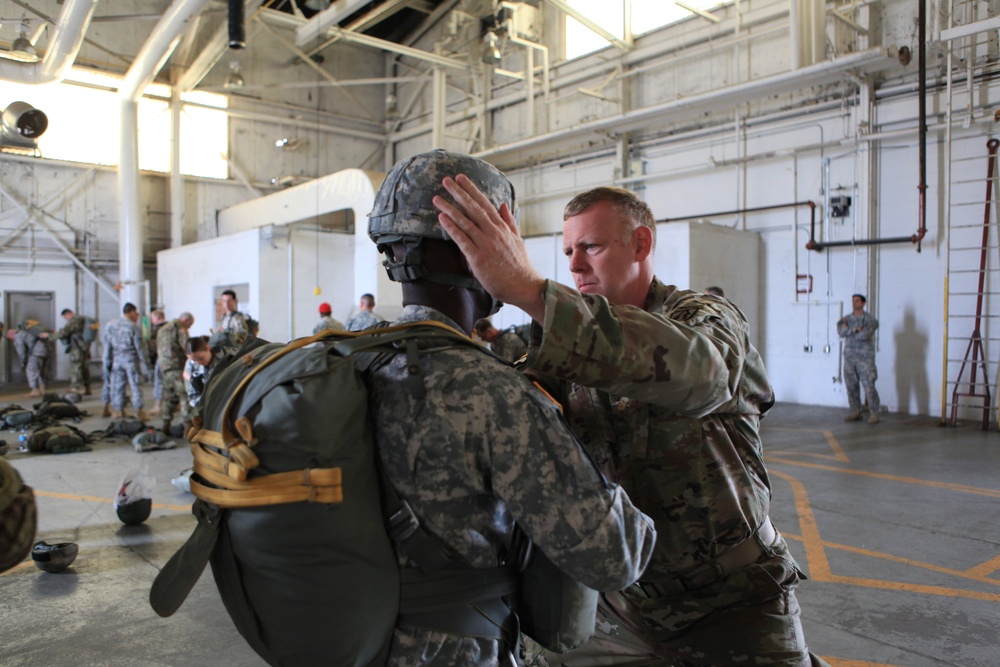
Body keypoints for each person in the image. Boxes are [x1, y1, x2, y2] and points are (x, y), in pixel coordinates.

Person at [435, 182, 829, 666]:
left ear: (641, 244)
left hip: (732, 600)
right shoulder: (553, 344)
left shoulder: (704, 319)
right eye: (568, 252)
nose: (575, 265)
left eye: (592, 247)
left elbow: (700, 372)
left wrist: (531, 291)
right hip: (616, 606)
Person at [367, 150, 655, 666]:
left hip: (353, 642)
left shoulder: (346, 359)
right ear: (471, 248)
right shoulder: (491, 391)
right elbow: (617, 555)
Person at [102, 302, 151, 421]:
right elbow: (140, 347)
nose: (137, 317)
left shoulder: (110, 325)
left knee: (118, 386)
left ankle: (119, 411)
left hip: (116, 360)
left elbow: (107, 345)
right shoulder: (133, 327)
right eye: (136, 314)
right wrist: (147, 364)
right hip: (131, 360)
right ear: (132, 312)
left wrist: (107, 361)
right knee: (135, 385)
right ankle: (139, 411)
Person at [837, 294, 880, 424]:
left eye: (857, 301)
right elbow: (840, 332)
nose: (854, 303)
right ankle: (855, 410)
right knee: (851, 385)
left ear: (863, 303)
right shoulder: (846, 319)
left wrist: (849, 330)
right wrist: (855, 329)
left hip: (865, 358)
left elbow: (865, 335)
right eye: (853, 301)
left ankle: (874, 412)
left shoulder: (870, 319)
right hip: (850, 357)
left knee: (869, 385)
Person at [157, 312, 194, 434]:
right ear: (186, 320)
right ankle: (187, 428)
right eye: (189, 325)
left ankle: (165, 425)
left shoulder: (162, 329)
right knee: (185, 395)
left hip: (164, 368)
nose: (189, 328)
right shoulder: (180, 328)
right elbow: (186, 347)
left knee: (168, 397)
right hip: (177, 367)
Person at [56, 308, 94, 395]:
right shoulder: (83, 319)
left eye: (65, 317)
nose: (66, 319)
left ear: (67, 314)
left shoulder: (74, 321)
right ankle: (87, 388)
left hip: (77, 348)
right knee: (84, 368)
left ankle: (77, 388)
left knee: (75, 367)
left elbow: (64, 333)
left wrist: (51, 335)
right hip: (85, 348)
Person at [7, 325, 49, 397]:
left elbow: (21, 350)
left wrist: (23, 360)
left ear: (12, 335)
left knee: (31, 371)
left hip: (35, 353)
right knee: (39, 371)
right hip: (44, 351)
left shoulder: (18, 336)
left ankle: (35, 390)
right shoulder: (26, 331)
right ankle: (42, 389)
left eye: (11, 338)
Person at [183, 335, 221, 416]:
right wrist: (192, 379)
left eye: (201, 358)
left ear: (208, 348)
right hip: (204, 402)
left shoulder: (224, 358)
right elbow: (186, 373)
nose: (198, 363)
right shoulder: (191, 362)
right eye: (194, 360)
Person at [147, 309, 167, 415]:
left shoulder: (157, 330)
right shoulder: (172, 327)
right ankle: (177, 405)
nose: (151, 320)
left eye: (152, 318)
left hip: (161, 360)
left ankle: (158, 405)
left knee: (158, 382)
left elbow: (152, 347)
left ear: (158, 317)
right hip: (175, 361)